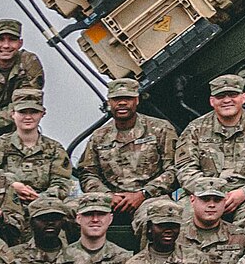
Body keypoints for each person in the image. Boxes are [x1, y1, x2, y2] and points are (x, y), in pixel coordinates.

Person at [174, 74, 245, 229]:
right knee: (178, 220)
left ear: (243, 97)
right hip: (203, 194)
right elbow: (185, 168)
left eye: (232, 95)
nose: (227, 100)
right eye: (220, 96)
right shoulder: (195, 129)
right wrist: (210, 193)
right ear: (212, 101)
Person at [75, 78, 178, 234]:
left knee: (158, 219)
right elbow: (87, 173)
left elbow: (174, 169)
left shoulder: (160, 129)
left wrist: (143, 193)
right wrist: (107, 195)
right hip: (108, 200)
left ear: (136, 100)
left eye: (128, 98)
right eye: (117, 99)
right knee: (68, 214)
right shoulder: (99, 136)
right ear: (109, 102)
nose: (122, 103)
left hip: (151, 198)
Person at [0, 89, 72, 202]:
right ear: (12, 113)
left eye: (33, 112)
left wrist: (40, 198)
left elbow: (62, 182)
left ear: (42, 113)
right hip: (6, 203)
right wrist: (11, 184)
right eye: (22, 112)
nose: (28, 117)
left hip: (45, 206)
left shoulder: (54, 149)